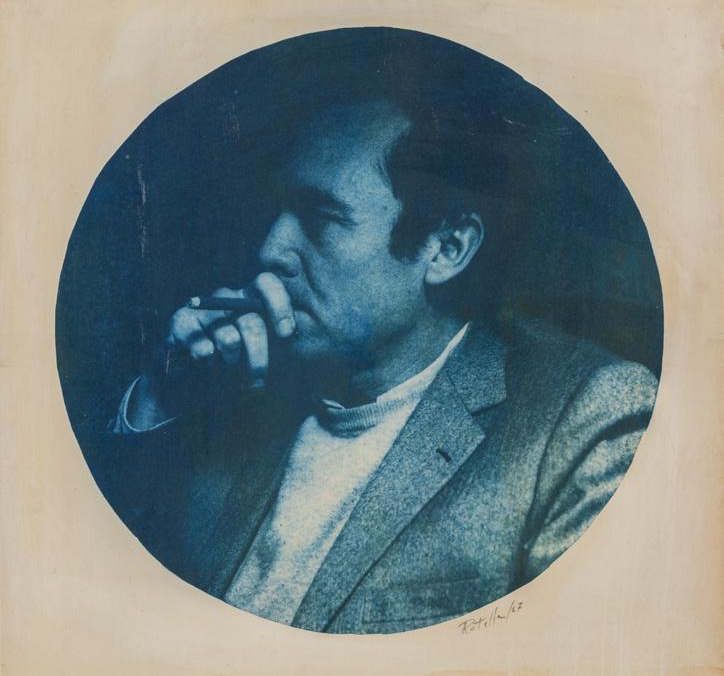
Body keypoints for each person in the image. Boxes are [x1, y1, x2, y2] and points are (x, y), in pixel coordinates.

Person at [97, 32, 658, 634]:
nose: (271, 250)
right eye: (279, 211)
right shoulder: (232, 389)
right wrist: (159, 396)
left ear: (446, 248)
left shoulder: (586, 418)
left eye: (320, 217)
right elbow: (113, 594)